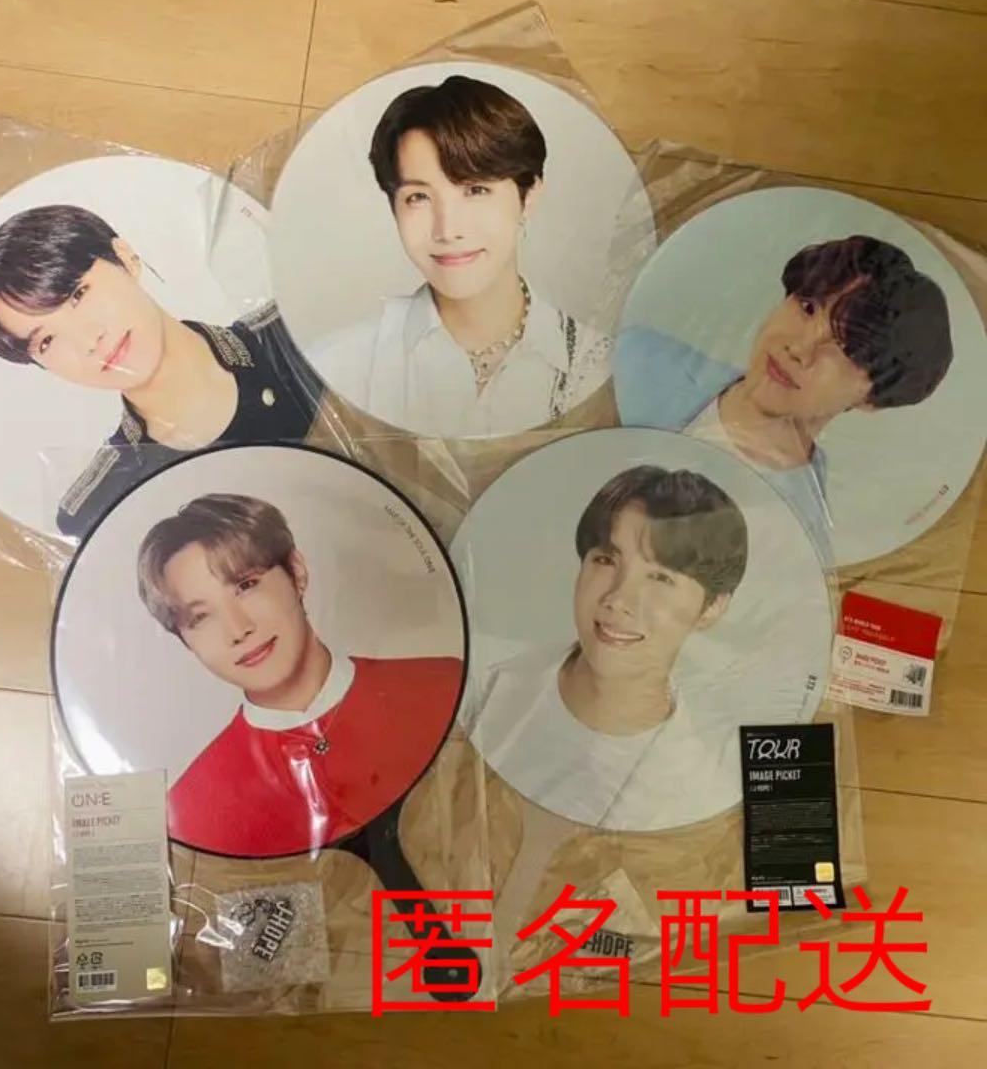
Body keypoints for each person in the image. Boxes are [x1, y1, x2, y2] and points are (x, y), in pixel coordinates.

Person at [0, 204, 324, 538]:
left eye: (78, 295)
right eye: (47, 341)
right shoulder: (103, 507)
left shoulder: (297, 333)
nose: (89, 340)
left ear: (126, 258)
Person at [136, 493, 463, 857]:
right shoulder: (190, 809)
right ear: (184, 640)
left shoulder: (444, 684)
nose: (238, 629)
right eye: (200, 617)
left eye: (246, 586)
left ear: (297, 572)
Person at [613, 235, 954, 561]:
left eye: (846, 348)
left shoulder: (800, 536)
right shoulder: (635, 356)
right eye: (807, 307)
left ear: (872, 398)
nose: (799, 348)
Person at [307, 74, 611, 438]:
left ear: (528, 196)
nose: (448, 229)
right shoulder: (342, 363)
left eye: (475, 190)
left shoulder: (599, 366)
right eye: (418, 197)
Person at [468, 465, 750, 831]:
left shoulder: (701, 798)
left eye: (660, 577)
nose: (618, 598)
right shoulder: (474, 677)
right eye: (605, 560)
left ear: (712, 607)